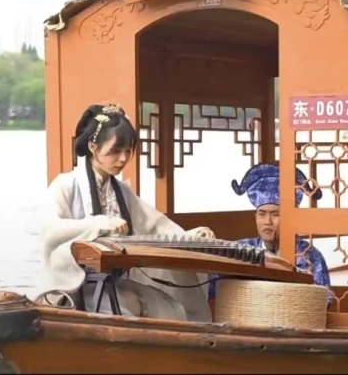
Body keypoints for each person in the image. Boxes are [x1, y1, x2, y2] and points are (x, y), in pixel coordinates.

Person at [37, 103, 215, 322]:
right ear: (93, 147)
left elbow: (155, 225)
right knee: (125, 312)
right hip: (76, 286)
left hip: (113, 282)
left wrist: (188, 237)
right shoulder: (66, 185)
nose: (123, 159)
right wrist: (98, 224)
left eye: (128, 151)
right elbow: (51, 230)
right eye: (115, 151)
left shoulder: (121, 191)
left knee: (172, 308)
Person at [208, 162, 332, 303]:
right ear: (255, 217)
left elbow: (324, 300)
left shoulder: (308, 255)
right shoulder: (241, 250)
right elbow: (208, 288)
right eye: (262, 214)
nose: (267, 221)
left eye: (275, 214)